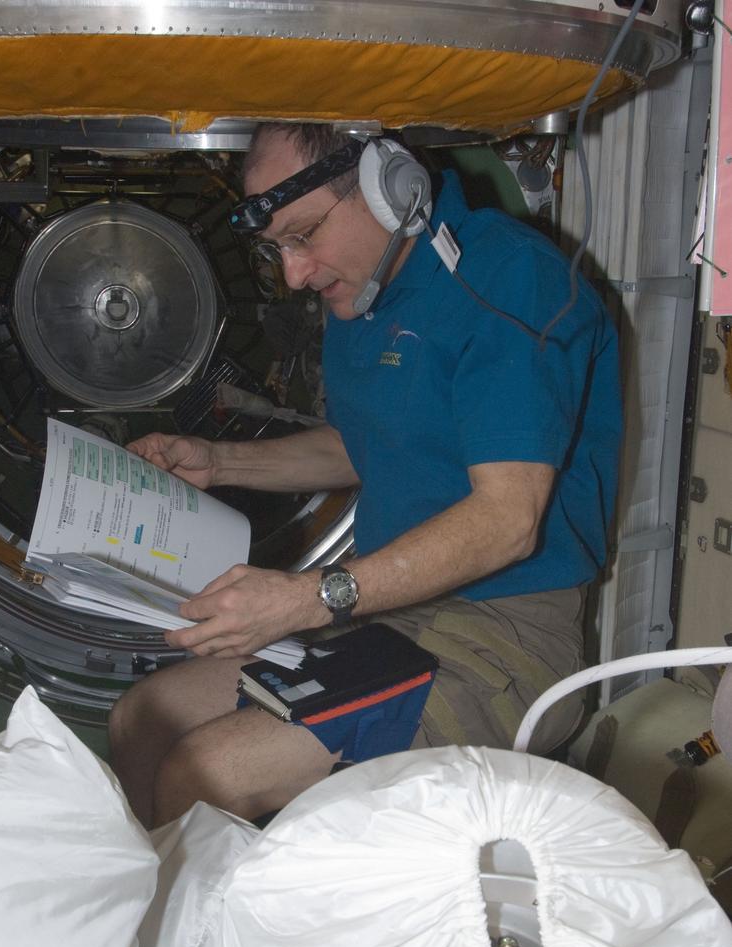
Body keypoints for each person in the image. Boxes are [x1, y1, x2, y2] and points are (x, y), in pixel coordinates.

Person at [108, 123, 622, 829]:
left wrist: (309, 598)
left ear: (392, 188)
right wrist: (220, 462)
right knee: (143, 720)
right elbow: (364, 447)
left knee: (209, 771)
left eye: (304, 235)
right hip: (388, 616)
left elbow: (508, 520)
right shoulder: (363, 293)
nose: (295, 273)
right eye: (278, 249)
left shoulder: (509, 280)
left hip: (506, 632)